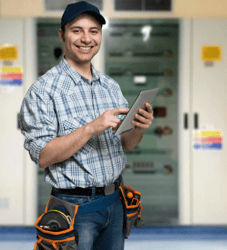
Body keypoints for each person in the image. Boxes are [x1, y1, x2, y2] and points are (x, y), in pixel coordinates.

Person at [19, 1, 154, 249]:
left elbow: (127, 143)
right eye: (76, 30)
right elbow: (44, 156)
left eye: (93, 31)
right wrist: (91, 128)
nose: (86, 38)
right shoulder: (43, 91)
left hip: (115, 202)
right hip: (74, 210)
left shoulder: (110, 87)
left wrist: (139, 128)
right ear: (62, 34)